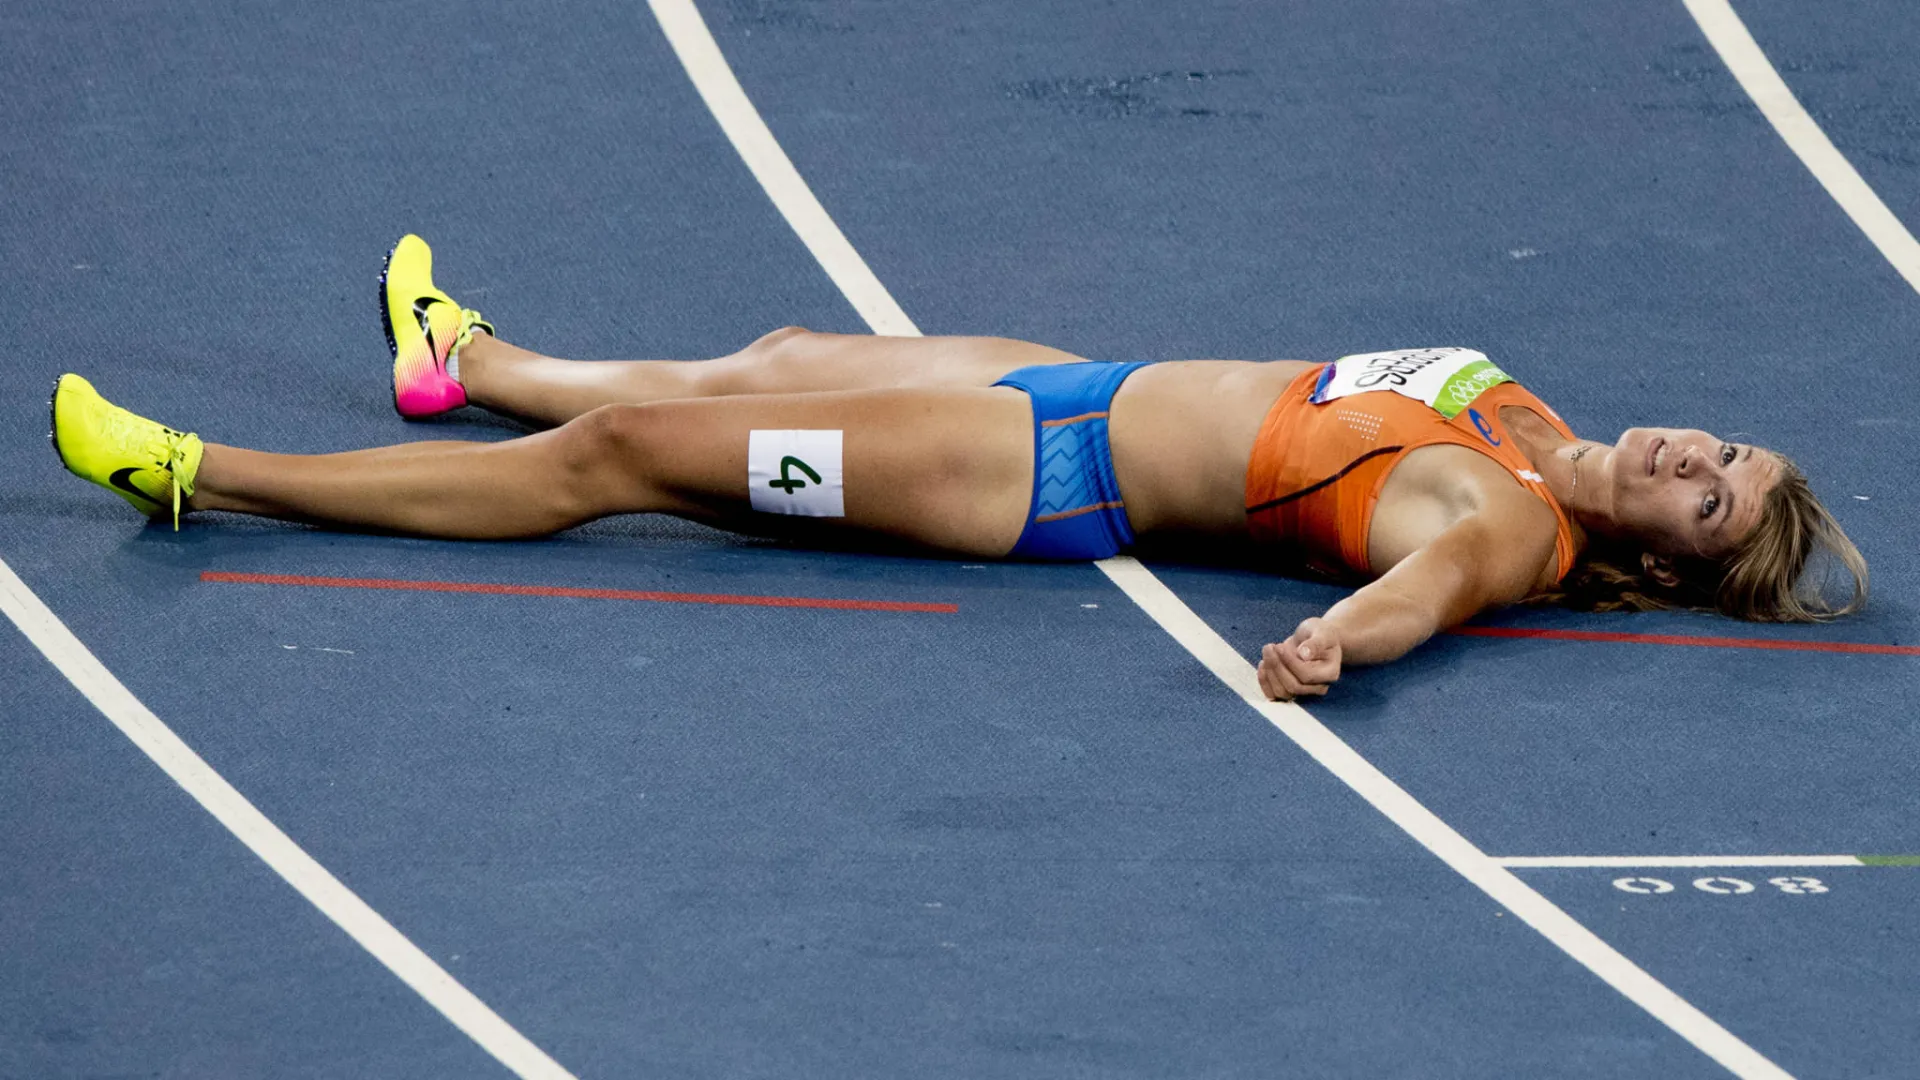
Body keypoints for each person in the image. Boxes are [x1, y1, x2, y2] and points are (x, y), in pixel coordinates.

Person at [49, 236, 1867, 700]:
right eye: (1726, 445)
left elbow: (1411, 594)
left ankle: (208, 477)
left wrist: (1336, 653)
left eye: (1708, 496)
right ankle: (468, 361)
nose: (1696, 452)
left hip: (1033, 475)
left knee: (623, 465)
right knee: (770, 357)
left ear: (1668, 561)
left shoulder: (1500, 525)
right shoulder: (1537, 428)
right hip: (1083, 384)